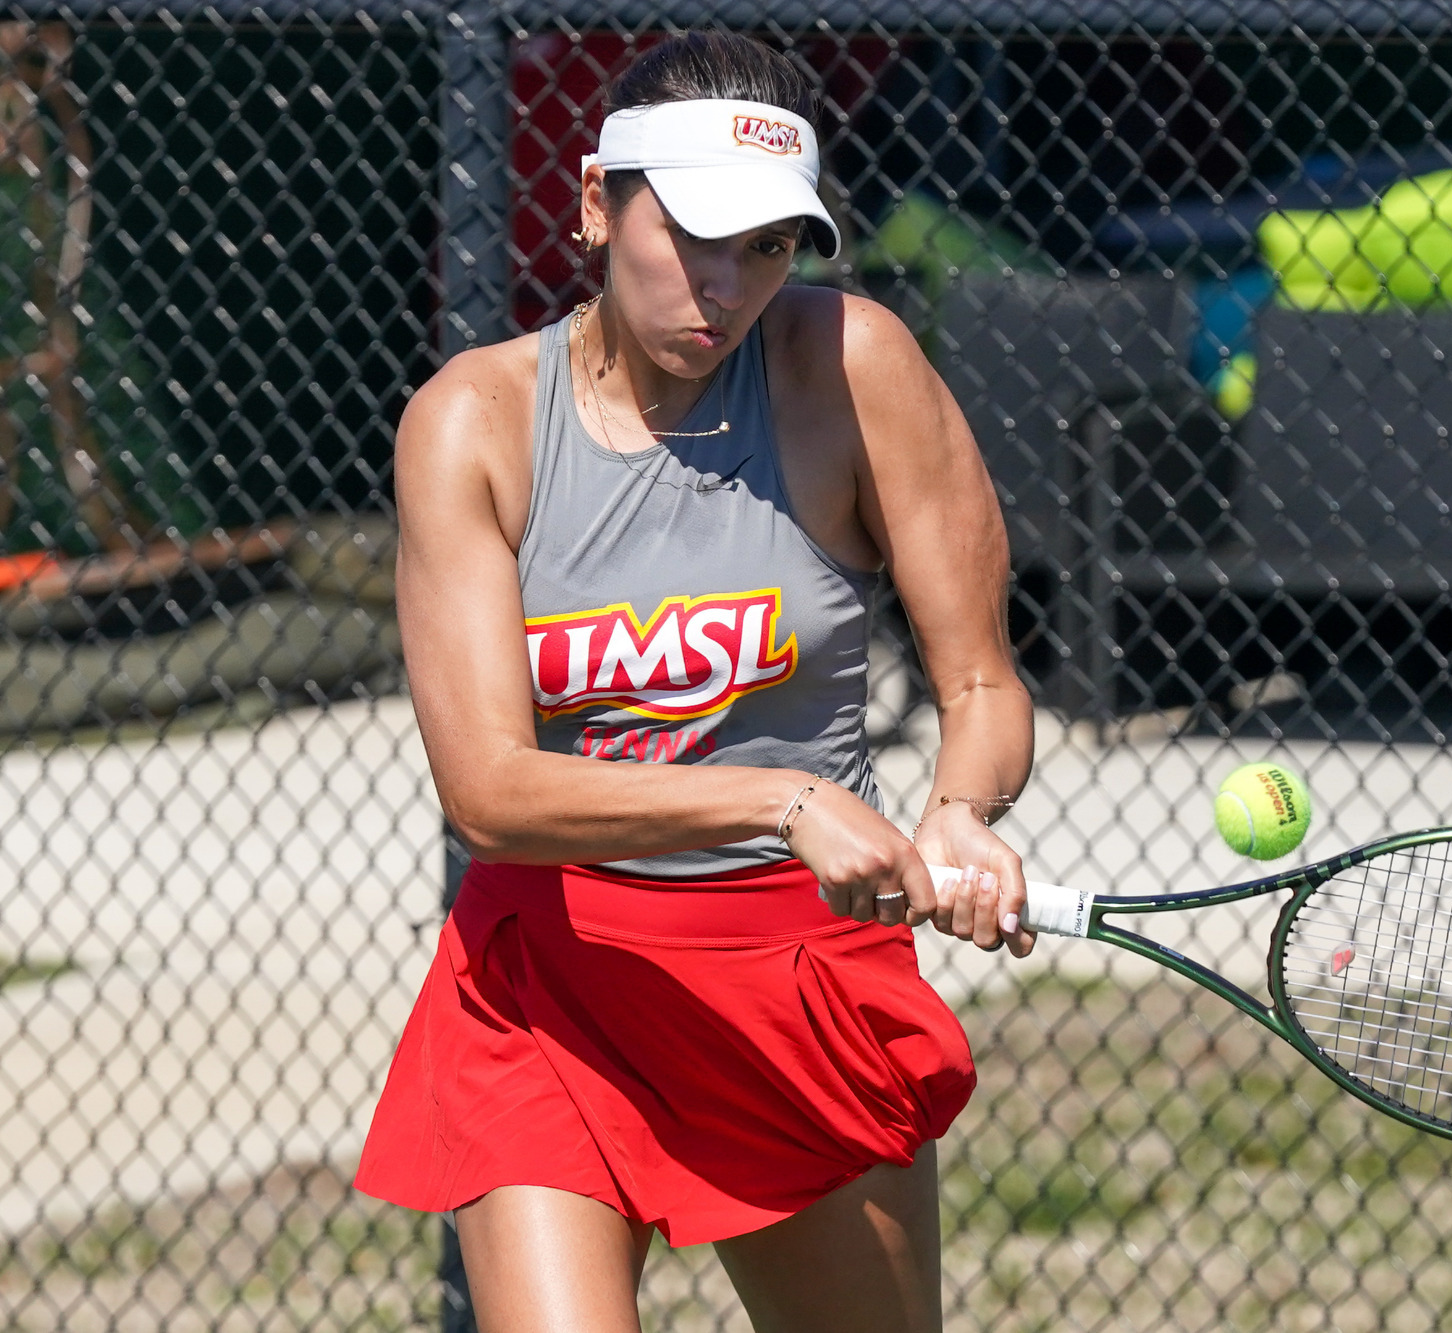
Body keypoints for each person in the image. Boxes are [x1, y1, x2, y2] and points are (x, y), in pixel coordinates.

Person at [354, 30, 1034, 1333]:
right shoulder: (474, 421)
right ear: (595, 204)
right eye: (694, 236)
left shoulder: (854, 366)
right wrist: (780, 800)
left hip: (800, 982)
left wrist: (960, 812)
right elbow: (488, 791)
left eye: (768, 246)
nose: (726, 288)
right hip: (553, 979)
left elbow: (984, 689)